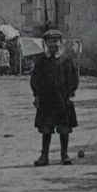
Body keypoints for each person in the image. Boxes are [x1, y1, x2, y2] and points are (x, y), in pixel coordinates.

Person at [31, 29, 79, 165]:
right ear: (45, 44)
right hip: (46, 100)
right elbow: (35, 79)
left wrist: (70, 91)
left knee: (64, 127)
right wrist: (36, 95)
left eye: (55, 42)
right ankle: (44, 156)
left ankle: (64, 154)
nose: (53, 45)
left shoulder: (66, 60)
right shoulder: (41, 61)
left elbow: (74, 78)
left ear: (61, 43)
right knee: (46, 128)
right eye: (50, 42)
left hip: (63, 99)